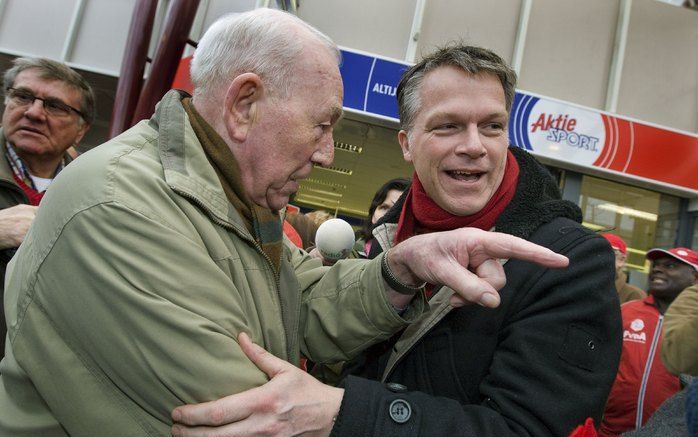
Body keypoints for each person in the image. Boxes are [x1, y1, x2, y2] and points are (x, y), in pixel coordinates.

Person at [0, 11, 568, 436]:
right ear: (244, 104)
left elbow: (302, 304)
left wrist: (397, 269)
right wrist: (353, 416)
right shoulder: (122, 207)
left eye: (492, 127)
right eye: (321, 126)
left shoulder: (232, 194)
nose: (327, 154)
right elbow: (254, 415)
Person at [171, 44, 622, 437]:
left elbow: (530, 428)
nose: (474, 146)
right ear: (406, 143)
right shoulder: (386, 234)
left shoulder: (568, 260)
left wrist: (344, 414)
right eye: (447, 126)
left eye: (492, 126)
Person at [0, 57, 94, 357]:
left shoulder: (96, 191)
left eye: (55, 106)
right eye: (23, 96)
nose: (34, 112)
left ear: (81, 131)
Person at [600, 247, 698, 436]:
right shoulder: (625, 311)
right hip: (610, 430)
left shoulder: (692, 325)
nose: (657, 270)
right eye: (655, 265)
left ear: (694, 277)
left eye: (670, 265)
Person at [357, 177, 410, 257]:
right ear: (373, 215)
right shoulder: (348, 252)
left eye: (399, 210)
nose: (390, 214)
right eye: (384, 207)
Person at [602, 233, 647, 304]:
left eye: (608, 253)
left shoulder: (634, 295)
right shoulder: (583, 285)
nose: (601, 258)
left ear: (621, 260)